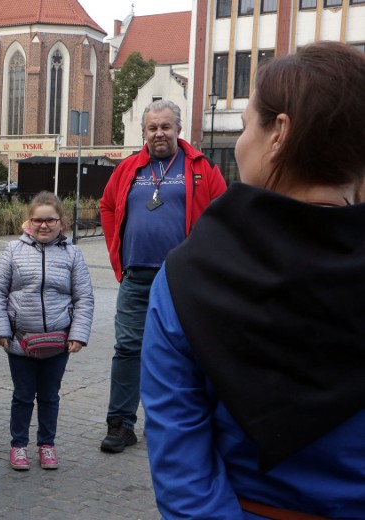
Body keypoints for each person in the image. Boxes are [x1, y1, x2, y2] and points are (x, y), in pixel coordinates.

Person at [141, 41, 365, 519]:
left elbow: (184, 472)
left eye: (245, 127)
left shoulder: (187, 279)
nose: (240, 143)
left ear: (278, 132)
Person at [99, 99, 226, 454]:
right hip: (137, 277)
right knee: (127, 348)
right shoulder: (128, 169)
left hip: (184, 279)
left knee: (189, 351)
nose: (159, 133)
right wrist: (117, 253)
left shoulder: (201, 167)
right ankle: (120, 424)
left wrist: (208, 263)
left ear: (178, 129)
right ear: (144, 132)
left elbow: (223, 214)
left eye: (165, 127)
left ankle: (187, 424)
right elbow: (107, 206)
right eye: (153, 128)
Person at [0, 191, 94, 471]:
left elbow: (84, 297)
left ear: (62, 222)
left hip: (58, 342)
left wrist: (78, 334)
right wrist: (0, 330)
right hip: (20, 340)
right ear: (29, 221)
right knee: (22, 395)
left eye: (50, 220)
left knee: (49, 396)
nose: (44, 225)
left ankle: (47, 445)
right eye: (38, 220)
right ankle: (18, 446)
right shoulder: (13, 250)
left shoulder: (73, 254)